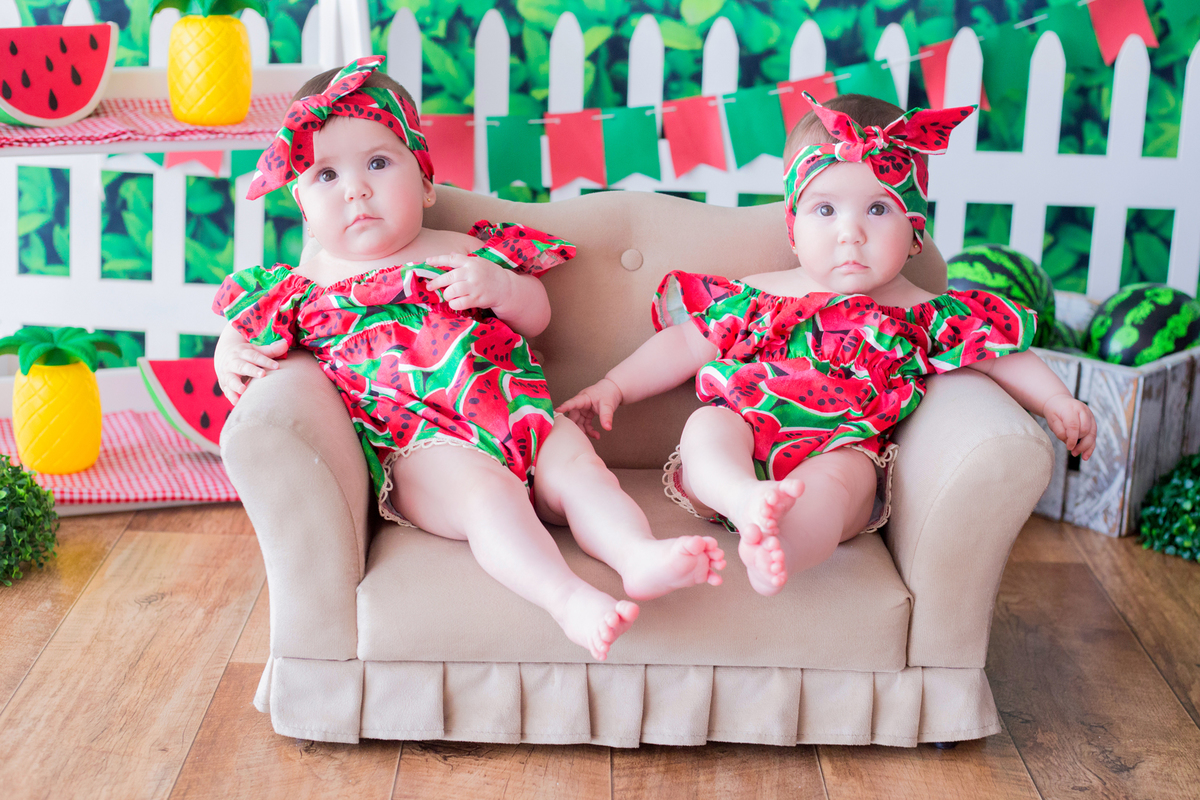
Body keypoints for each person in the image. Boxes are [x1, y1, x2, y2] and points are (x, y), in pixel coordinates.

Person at [211, 56, 725, 660]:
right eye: (326, 175)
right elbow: (244, 336)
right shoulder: (301, 284)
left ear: (426, 182)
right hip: (422, 448)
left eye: (378, 162)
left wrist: (503, 289)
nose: (356, 189)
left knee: (584, 472)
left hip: (522, 417)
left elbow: (536, 315)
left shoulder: (462, 249)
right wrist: (229, 353)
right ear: (300, 204)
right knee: (489, 501)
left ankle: (634, 554)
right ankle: (567, 599)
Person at [560, 92, 1096, 597]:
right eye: (825, 211)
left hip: (842, 446)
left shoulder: (923, 312)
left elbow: (999, 351)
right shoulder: (760, 293)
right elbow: (684, 344)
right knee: (708, 425)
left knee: (846, 485)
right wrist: (614, 387)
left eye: (878, 210)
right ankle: (744, 499)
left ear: (915, 232)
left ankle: (782, 548)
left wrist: (1055, 402)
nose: (851, 233)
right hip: (746, 440)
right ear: (793, 228)